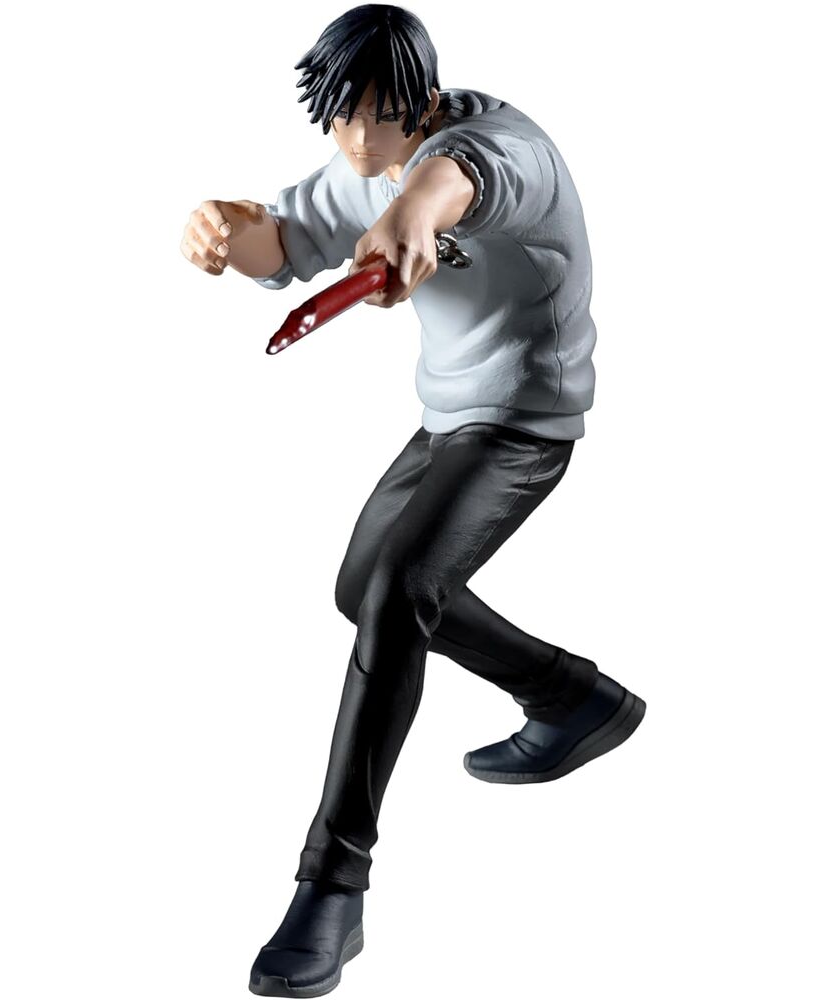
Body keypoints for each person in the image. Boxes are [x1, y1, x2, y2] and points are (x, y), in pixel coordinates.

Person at [180, 5, 645, 995]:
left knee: (397, 591)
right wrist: (224, 231)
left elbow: (453, 180)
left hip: (523, 423)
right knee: (365, 592)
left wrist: (413, 216)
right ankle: (574, 698)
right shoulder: (363, 159)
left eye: (377, 119)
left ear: (423, 101)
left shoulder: (505, 151)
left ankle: (331, 885)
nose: (356, 142)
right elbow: (284, 239)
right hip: (445, 420)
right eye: (340, 119)